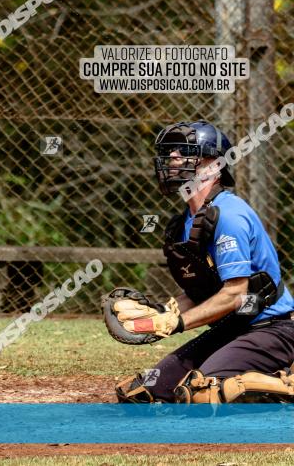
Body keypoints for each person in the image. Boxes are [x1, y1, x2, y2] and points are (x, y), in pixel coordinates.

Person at [114, 120, 294, 403]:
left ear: (214, 165)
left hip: (274, 329)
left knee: (204, 393)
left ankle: (288, 381)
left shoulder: (230, 215)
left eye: (184, 151)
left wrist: (177, 323)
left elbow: (235, 294)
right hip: (233, 329)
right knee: (145, 391)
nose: (172, 158)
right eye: (169, 151)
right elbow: (208, 290)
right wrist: (164, 311)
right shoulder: (187, 222)